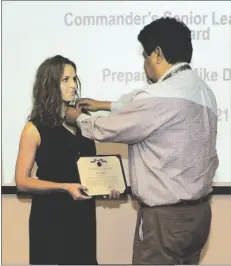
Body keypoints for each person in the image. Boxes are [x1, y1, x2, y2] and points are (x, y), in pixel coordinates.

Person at [65, 17, 219, 265]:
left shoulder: (159, 95)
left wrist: (79, 118)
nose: (145, 64)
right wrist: (105, 104)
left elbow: (109, 129)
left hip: (165, 221)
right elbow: (147, 108)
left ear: (157, 54)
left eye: (145, 56)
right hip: (199, 215)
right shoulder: (203, 92)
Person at [15, 55, 119, 265]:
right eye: (66, 80)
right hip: (50, 217)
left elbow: (90, 168)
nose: (73, 85)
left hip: (82, 215)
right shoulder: (34, 128)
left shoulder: (83, 122)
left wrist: (106, 187)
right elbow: (22, 181)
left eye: (75, 79)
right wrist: (64, 187)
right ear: (50, 83)